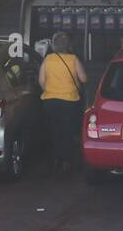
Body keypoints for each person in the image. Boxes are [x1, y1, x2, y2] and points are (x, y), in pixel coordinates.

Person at [38, 31, 88, 172]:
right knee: (68, 130)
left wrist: (49, 89)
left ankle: (56, 158)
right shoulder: (73, 59)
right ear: (68, 45)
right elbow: (84, 79)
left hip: (50, 101)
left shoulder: (47, 60)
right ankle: (66, 159)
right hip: (69, 101)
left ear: (54, 45)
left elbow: (41, 81)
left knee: (55, 130)